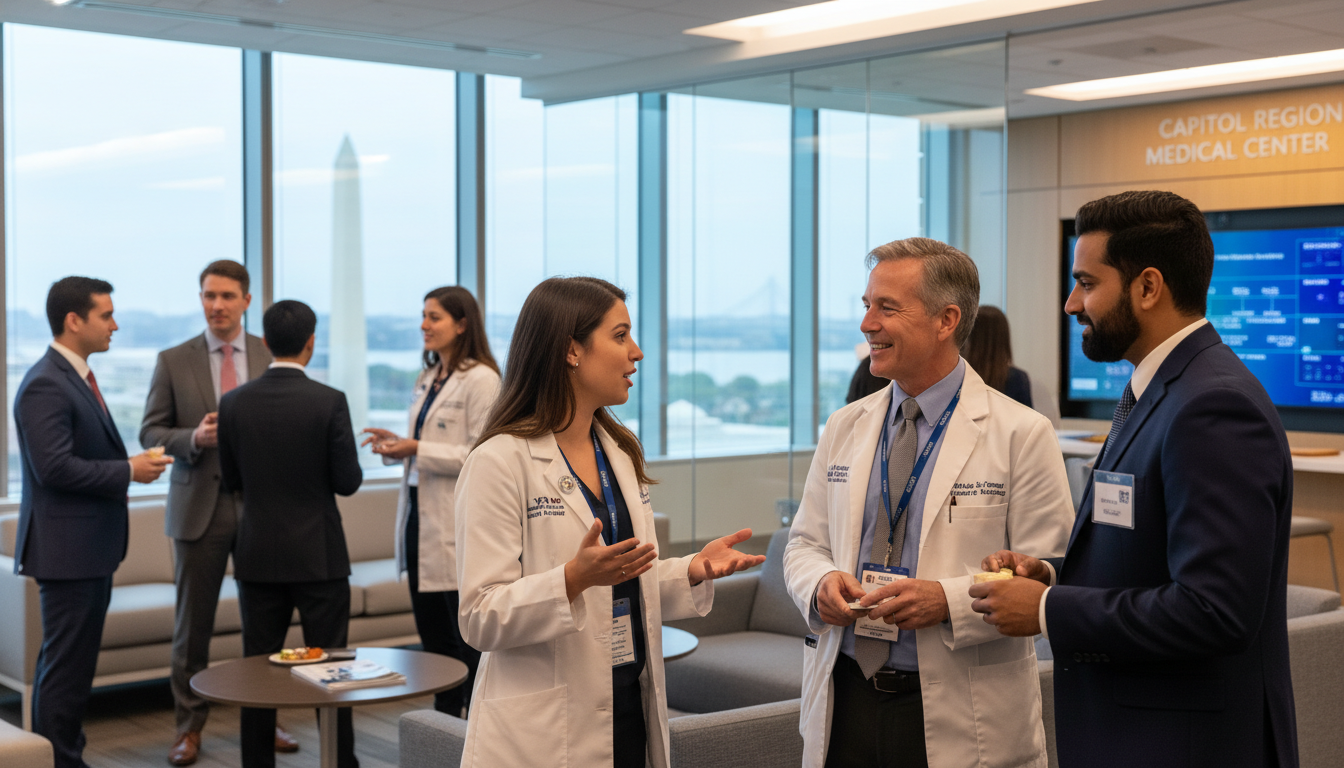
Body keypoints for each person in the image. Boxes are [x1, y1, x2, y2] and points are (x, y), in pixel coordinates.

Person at [969, 190, 1298, 768]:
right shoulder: (1159, 391)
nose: (1072, 304)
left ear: (1148, 287)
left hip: (1185, 745)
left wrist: (1048, 609)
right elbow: (1147, 557)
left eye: (1087, 283)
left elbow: (1214, 611)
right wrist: (1052, 574)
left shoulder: (1212, 406)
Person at [782, 238, 1074, 768]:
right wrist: (819, 585)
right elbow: (805, 542)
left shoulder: (1021, 433)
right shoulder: (845, 425)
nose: (867, 323)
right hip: (846, 695)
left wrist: (949, 601)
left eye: (886, 308)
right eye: (866, 306)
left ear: (946, 320)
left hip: (960, 709)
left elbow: (1049, 573)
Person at [453, 276, 766, 768]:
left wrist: (691, 570)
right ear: (571, 350)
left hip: (627, 707)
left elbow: (622, 580)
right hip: (543, 730)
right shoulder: (499, 461)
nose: (636, 352)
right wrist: (573, 579)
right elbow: (478, 617)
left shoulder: (617, 451)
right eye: (620, 336)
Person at [140, 261, 296, 766]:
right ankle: (189, 728)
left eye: (227, 296)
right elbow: (150, 433)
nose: (217, 305)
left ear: (247, 301)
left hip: (260, 508)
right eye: (209, 296)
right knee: (193, 629)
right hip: (197, 507)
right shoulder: (172, 359)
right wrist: (194, 439)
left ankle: (266, 718)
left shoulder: (268, 352)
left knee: (265, 625)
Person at [13, 276, 172, 768]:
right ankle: (59, 760)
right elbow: (54, 468)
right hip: (69, 550)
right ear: (73, 320)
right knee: (65, 669)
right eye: (106, 315)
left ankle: (62, 756)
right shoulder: (46, 382)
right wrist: (129, 469)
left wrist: (128, 466)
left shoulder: (72, 377)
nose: (115, 324)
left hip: (86, 547)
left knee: (71, 667)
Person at [218, 300, 364, 768]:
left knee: (257, 669)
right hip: (319, 555)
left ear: (263, 342)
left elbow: (232, 478)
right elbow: (348, 481)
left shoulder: (233, 403)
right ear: (310, 342)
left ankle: (255, 762)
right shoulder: (329, 400)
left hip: (257, 553)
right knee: (332, 670)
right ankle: (339, 762)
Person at [360, 286, 499, 716]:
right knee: (433, 641)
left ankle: (476, 727)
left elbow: (483, 454)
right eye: (423, 315)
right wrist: (400, 446)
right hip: (420, 516)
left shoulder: (482, 380)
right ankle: (442, 726)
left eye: (434, 317)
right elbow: (429, 442)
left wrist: (416, 448)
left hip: (456, 523)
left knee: (465, 643)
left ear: (461, 324)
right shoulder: (429, 376)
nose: (424, 325)